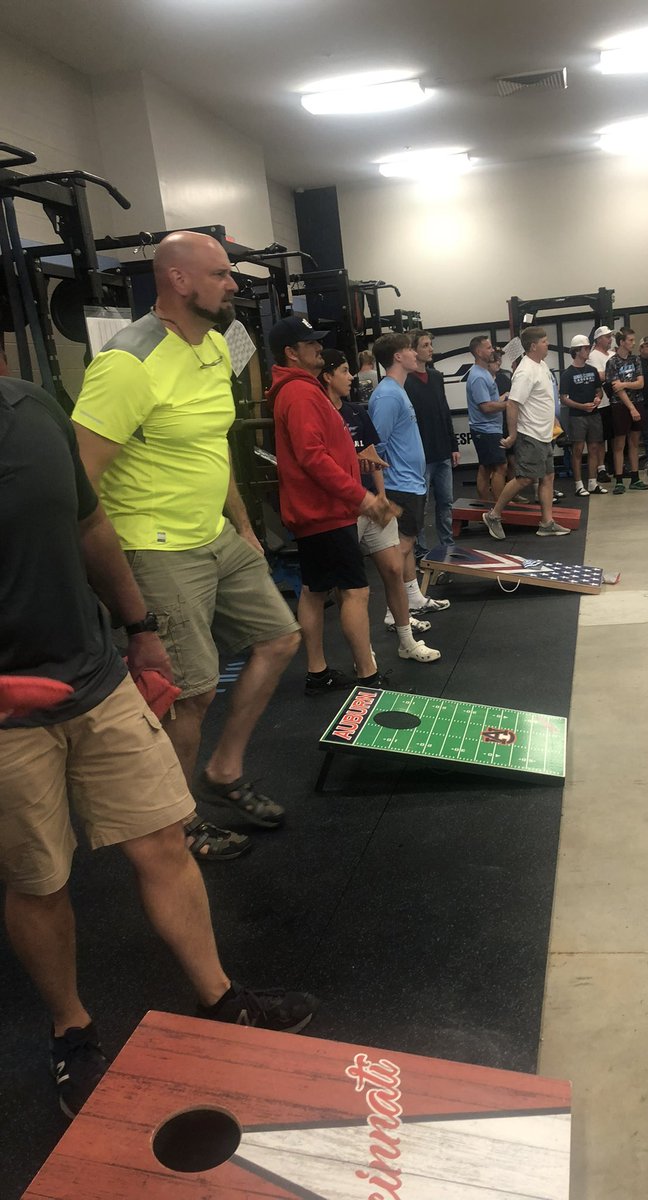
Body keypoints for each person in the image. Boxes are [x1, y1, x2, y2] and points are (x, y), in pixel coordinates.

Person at [0, 371, 318, 1119]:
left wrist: (140, 628)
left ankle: (220, 997)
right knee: (39, 880)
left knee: (164, 840)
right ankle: (72, 1029)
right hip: (8, 720)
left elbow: (90, 527)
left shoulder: (31, 408)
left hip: (94, 677)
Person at [72, 231, 298, 856]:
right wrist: (102, 577)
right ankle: (177, 823)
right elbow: (78, 480)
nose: (233, 284)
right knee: (190, 692)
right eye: (221, 274)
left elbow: (212, 444)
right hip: (154, 545)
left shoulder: (215, 347)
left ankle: (223, 770)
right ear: (178, 280)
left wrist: (244, 526)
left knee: (279, 639)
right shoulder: (127, 363)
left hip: (215, 534)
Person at [267, 316, 399, 689]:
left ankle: (317, 672)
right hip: (326, 512)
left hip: (318, 510)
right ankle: (368, 674)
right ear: (291, 353)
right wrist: (362, 497)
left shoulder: (301, 390)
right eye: (310, 344)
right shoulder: (300, 393)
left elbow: (315, 451)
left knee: (314, 590)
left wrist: (354, 461)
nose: (318, 348)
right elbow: (312, 457)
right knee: (355, 591)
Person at [319, 348, 440, 663]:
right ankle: (362, 652)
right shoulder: (321, 415)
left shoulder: (355, 413)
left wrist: (383, 496)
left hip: (374, 501)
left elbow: (374, 456)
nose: (351, 377)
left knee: (393, 568)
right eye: (344, 371)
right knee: (349, 585)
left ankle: (406, 641)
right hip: (345, 508)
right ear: (327, 376)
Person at [370, 332, 450, 616]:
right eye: (410, 349)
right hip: (399, 483)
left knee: (408, 541)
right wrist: (382, 490)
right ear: (397, 356)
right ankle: (394, 612)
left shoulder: (398, 389)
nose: (416, 354)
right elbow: (376, 446)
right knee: (400, 548)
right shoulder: (388, 395)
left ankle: (413, 598)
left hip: (411, 482)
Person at [482, 326, 570, 538]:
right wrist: (513, 435)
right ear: (533, 346)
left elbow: (545, 399)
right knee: (525, 478)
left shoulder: (542, 365)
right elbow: (513, 404)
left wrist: (554, 421)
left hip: (544, 433)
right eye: (544, 342)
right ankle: (494, 515)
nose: (547, 345)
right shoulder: (525, 372)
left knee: (548, 476)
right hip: (530, 433)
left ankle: (546, 523)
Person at [404, 330, 459, 560]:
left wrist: (453, 445)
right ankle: (421, 551)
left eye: (430, 344)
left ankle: (448, 545)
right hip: (421, 455)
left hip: (442, 451)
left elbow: (444, 411)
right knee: (421, 505)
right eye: (425, 345)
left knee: (445, 503)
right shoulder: (405, 381)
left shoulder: (436, 377)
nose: (430, 349)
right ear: (413, 350)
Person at [559, 334, 606, 496]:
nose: (588, 351)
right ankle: (579, 484)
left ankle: (592, 482)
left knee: (594, 447)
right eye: (585, 348)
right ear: (577, 351)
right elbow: (563, 398)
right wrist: (581, 406)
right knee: (578, 449)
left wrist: (598, 398)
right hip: (577, 416)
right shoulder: (567, 374)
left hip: (593, 414)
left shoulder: (592, 370)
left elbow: (599, 389)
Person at [605, 328, 648, 493]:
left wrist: (624, 384)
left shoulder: (635, 359)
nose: (633, 343)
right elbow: (617, 389)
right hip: (620, 405)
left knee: (634, 442)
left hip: (638, 401)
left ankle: (635, 477)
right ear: (621, 342)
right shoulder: (612, 362)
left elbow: (640, 383)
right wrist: (631, 408)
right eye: (630, 340)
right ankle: (618, 479)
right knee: (619, 443)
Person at [465, 335, 508, 505]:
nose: (492, 350)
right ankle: (498, 508)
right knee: (500, 467)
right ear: (478, 351)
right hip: (486, 429)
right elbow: (486, 407)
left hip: (489, 429)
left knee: (486, 467)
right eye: (488, 348)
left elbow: (490, 401)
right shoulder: (479, 376)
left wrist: (503, 399)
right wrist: (508, 405)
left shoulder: (484, 373)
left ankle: (486, 505)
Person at [587, 325, 615, 483]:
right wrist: (613, 374)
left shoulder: (612, 354)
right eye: (607, 337)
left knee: (613, 435)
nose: (610, 339)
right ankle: (601, 467)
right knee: (600, 438)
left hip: (614, 401)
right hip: (602, 402)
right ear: (598, 339)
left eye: (611, 336)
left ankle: (614, 464)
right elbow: (598, 376)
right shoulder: (593, 356)